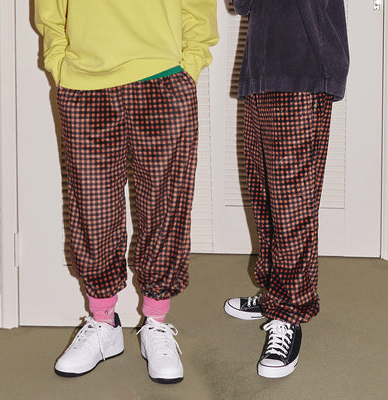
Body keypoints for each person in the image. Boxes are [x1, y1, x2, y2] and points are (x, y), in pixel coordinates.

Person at [35, 0, 218, 383]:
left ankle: (156, 322)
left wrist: (189, 65)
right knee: (92, 212)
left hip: (163, 79)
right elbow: (50, 13)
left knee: (165, 207)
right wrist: (59, 64)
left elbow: (198, 9)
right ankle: (104, 323)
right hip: (85, 86)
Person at [224, 0, 349, 378]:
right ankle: (275, 292)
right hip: (260, 68)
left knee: (292, 204)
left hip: (305, 66)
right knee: (264, 197)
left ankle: (290, 310)